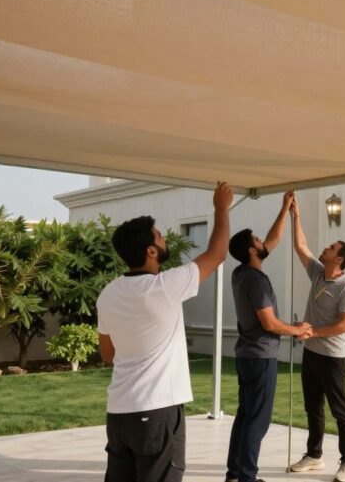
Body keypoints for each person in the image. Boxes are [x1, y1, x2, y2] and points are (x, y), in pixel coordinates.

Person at [97, 181, 233, 482]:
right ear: (150, 250)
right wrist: (221, 209)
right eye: (159, 236)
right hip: (156, 411)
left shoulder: (107, 294)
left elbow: (108, 354)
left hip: (118, 413)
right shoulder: (163, 286)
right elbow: (217, 253)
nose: (165, 238)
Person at [225, 191, 313, 482]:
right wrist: (298, 330)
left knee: (245, 416)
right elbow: (270, 323)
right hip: (261, 358)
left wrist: (286, 208)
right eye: (256, 239)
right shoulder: (256, 281)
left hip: (246, 356)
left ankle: (235, 474)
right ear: (252, 250)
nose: (262, 241)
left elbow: (273, 239)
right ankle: (247, 478)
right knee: (257, 421)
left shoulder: (240, 273)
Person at [286, 194, 345, 482]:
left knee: (340, 410)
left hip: (332, 359)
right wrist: (296, 215)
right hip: (312, 354)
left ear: (339, 258)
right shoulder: (318, 273)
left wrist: (313, 331)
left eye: (331, 248)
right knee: (312, 407)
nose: (325, 248)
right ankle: (314, 455)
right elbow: (301, 246)